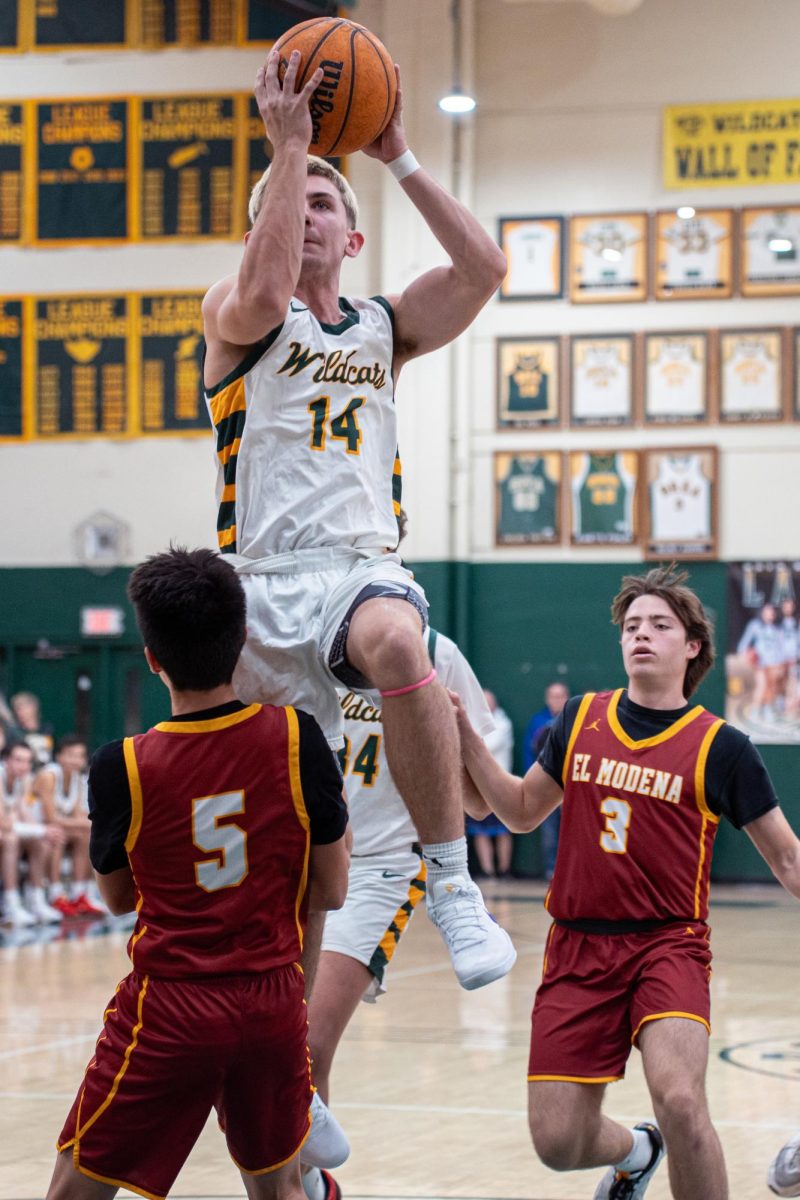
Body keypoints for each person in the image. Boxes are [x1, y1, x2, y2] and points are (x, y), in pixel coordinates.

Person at [200, 48, 513, 992]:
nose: (302, 218)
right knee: (302, 857)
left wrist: (399, 156)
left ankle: (454, 886)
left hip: (356, 568)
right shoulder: (236, 314)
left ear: (353, 241)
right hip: (256, 587)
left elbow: (484, 265)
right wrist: (289, 152)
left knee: (396, 637)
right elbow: (259, 293)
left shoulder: (384, 326)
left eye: (322, 209)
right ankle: (288, 1068)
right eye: (287, 209)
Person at [451, 564, 800, 1200]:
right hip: (578, 947)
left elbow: (787, 860)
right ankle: (638, 1151)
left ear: (691, 646)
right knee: (558, 1143)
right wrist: (469, 742)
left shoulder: (723, 747)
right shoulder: (580, 718)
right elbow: (522, 811)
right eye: (632, 625)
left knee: (680, 1097)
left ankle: (668, 1139)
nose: (641, 634)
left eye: (659, 625)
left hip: (668, 945)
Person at [45, 546, 350, 1200]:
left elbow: (119, 898)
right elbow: (332, 888)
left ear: (152, 658)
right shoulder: (299, 741)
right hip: (271, 1002)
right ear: (243, 640)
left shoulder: (121, 765)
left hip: (173, 1007)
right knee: (280, 1190)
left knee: (73, 1193)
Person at [305, 625, 498, 1200]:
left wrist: (445, 733)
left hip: (382, 866)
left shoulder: (438, 654)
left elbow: (479, 800)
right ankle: (306, 1182)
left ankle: (310, 1185)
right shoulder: (299, 639)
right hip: (303, 857)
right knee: (268, 1048)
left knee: (308, 1041)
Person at [32, 734, 104, 917]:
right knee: (59, 834)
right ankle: (56, 896)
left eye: (80, 756)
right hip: (35, 827)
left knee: (86, 835)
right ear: (59, 756)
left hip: (54, 827)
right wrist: (86, 822)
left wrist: (88, 823)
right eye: (70, 754)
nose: (75, 760)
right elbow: (50, 817)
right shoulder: (48, 776)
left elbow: (77, 814)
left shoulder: (78, 779)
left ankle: (80, 894)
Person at [0, 741, 63, 926]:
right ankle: (12, 905)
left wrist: (44, 832)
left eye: (27, 761)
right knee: (11, 839)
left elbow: (23, 815)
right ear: (6, 760)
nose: (23, 766)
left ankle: (37, 901)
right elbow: (4, 824)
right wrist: (42, 829)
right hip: (4, 832)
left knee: (41, 841)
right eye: (18, 760)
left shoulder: (21, 781)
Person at [466, 689, 515, 878]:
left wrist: (471, 741)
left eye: (488, 702)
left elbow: (486, 747)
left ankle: (504, 870)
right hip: (478, 785)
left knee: (504, 830)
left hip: (500, 785)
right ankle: (488, 872)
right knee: (480, 830)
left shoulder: (503, 723)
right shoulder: (472, 722)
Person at [523, 682, 570, 879]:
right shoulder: (538, 722)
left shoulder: (575, 720)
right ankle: (552, 871)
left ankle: (570, 871)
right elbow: (529, 753)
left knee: (571, 831)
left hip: (571, 788)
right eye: (553, 696)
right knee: (550, 833)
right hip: (546, 788)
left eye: (560, 696)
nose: (556, 700)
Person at [736, 602, 783, 723]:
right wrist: (744, 654)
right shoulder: (755, 625)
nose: (769, 614)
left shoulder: (777, 628)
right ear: (762, 612)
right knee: (761, 685)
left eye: (772, 612)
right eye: (767, 611)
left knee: (771, 687)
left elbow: (780, 647)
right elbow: (744, 642)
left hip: (774, 662)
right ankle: (755, 710)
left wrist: (780, 663)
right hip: (760, 662)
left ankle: (767, 709)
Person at [8, 691, 54, 766]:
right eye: (17, 709)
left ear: (33, 707)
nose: (19, 712)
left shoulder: (47, 729)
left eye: (22, 708)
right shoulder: (13, 731)